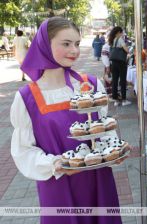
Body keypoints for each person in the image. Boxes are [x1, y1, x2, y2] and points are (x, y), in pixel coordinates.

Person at [10, 17, 127, 224]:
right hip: (58, 187)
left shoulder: (90, 85)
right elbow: (24, 150)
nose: (74, 50)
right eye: (66, 44)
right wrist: (55, 164)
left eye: (76, 44)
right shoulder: (27, 97)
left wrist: (112, 151)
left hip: (98, 180)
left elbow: (103, 127)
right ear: (44, 45)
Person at [108, 26, 130, 106]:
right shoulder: (120, 39)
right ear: (118, 33)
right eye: (121, 32)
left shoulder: (113, 40)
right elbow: (126, 50)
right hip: (121, 62)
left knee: (115, 81)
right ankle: (124, 100)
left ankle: (116, 100)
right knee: (123, 81)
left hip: (113, 62)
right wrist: (128, 49)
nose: (122, 34)